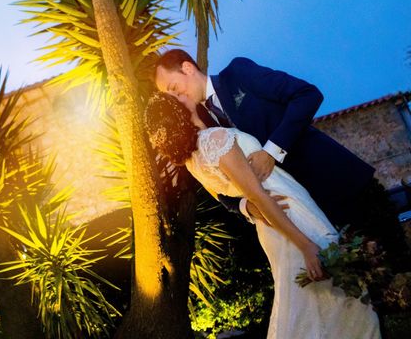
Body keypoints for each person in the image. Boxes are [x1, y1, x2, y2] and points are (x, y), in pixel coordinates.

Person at [144, 91, 381, 338]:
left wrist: (247, 206)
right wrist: (306, 245)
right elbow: (259, 195)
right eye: (175, 98)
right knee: (322, 297)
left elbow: (235, 195)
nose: (180, 95)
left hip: (272, 222)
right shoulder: (213, 140)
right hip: (287, 214)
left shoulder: (192, 160)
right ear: (178, 115)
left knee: (312, 301)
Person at [154, 49, 408, 268]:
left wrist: (272, 152)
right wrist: (246, 206)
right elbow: (218, 186)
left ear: (187, 68)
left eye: (174, 89)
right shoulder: (203, 127)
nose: (177, 99)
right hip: (302, 217)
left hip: (338, 185)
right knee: (360, 292)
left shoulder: (238, 73)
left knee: (396, 267)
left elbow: (307, 95)